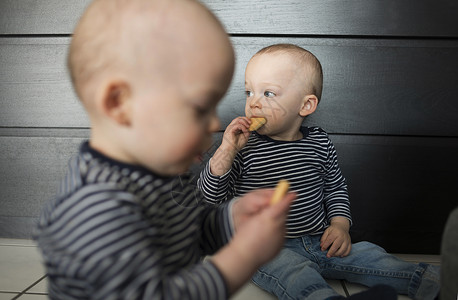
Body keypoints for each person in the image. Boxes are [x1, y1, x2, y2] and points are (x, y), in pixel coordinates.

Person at [33, 1, 296, 299]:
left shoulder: (165, 172)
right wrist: (244, 256)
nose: (213, 123)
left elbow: (189, 232)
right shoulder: (96, 208)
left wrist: (231, 219)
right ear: (120, 103)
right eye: (200, 107)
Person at [198, 43, 440, 300]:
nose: (253, 103)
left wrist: (340, 225)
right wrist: (225, 151)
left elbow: (335, 188)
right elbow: (210, 199)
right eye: (249, 92)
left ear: (306, 105)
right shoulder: (241, 146)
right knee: (294, 273)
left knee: (371, 255)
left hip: (318, 240)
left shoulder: (319, 143)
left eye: (268, 94)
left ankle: (432, 283)